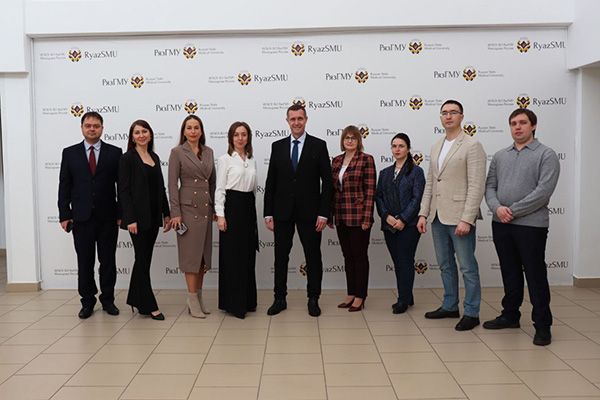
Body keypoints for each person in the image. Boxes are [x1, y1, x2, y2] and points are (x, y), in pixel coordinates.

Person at [483, 108, 560, 346]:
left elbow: (543, 192)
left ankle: (543, 325)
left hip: (531, 226)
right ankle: (510, 315)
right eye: (513, 123)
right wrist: (497, 208)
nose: (517, 127)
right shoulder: (500, 156)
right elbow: (490, 187)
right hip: (501, 223)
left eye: (523, 123)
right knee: (510, 271)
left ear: (533, 126)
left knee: (535, 274)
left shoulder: (546, 154)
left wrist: (512, 211)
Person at [417, 100, 486, 331]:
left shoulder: (472, 145)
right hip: (437, 216)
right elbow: (430, 183)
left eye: (453, 112)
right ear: (440, 117)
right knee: (445, 265)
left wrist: (467, 218)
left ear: (461, 116)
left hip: (459, 217)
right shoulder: (436, 146)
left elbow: (476, 185)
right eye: (444, 113)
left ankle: (472, 312)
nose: (448, 116)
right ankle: (449, 305)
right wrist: (423, 213)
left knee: (467, 267)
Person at [264, 103, 333, 317]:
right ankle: (279, 298)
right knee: (280, 257)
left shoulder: (319, 145)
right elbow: (271, 182)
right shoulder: (277, 146)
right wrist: (268, 212)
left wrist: (324, 213)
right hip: (282, 212)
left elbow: (327, 183)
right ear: (287, 121)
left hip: (310, 213)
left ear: (306, 120)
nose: (296, 122)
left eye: (300, 118)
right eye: (292, 119)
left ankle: (313, 298)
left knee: (313, 256)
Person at [58, 111, 122, 319]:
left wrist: (121, 213)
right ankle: (87, 302)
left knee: (108, 261)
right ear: (82, 128)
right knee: (85, 262)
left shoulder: (115, 152)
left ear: (102, 128)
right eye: (88, 125)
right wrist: (64, 214)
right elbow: (64, 185)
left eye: (96, 125)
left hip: (108, 217)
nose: (92, 129)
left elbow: (121, 187)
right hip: (81, 217)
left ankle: (108, 300)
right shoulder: (70, 153)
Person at [118, 120, 171, 320]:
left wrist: (166, 213)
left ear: (150, 134)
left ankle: (136, 299)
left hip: (153, 217)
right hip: (137, 220)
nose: (141, 135)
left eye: (144, 131)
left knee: (144, 260)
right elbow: (123, 191)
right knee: (142, 259)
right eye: (137, 132)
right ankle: (150, 305)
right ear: (132, 137)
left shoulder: (154, 157)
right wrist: (130, 218)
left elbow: (161, 188)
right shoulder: (127, 159)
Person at [168, 115, 215, 318]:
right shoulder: (177, 152)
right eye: (189, 128)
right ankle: (191, 297)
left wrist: (215, 208)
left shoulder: (209, 151)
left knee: (203, 257)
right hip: (187, 211)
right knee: (191, 256)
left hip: (205, 208)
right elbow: (172, 184)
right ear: (184, 131)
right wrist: (175, 213)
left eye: (196, 127)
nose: (193, 131)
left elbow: (212, 182)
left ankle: (199, 297)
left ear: (201, 131)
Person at [375, 133, 425, 314]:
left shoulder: (416, 171)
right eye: (394, 146)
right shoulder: (385, 173)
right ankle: (407, 295)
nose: (397, 149)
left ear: (408, 149)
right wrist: (386, 216)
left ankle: (403, 300)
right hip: (389, 225)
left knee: (405, 260)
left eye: (401, 146)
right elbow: (379, 197)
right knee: (397, 261)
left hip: (409, 226)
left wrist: (403, 219)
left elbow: (417, 198)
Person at [330, 125, 376, 312]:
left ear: (359, 141)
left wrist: (367, 218)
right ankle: (351, 293)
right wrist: (331, 215)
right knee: (347, 256)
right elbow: (332, 190)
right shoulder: (336, 160)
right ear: (342, 140)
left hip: (359, 217)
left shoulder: (366, 159)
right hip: (341, 215)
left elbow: (370, 191)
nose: (349, 141)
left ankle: (360, 296)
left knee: (359, 257)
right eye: (346, 138)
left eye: (353, 138)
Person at [215, 121, 258, 319]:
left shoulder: (252, 159)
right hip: (232, 209)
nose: (240, 138)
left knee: (248, 256)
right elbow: (220, 189)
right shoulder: (225, 159)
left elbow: (253, 188)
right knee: (233, 257)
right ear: (231, 138)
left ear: (248, 137)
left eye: (244, 134)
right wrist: (220, 215)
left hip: (248, 208)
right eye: (236, 135)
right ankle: (233, 304)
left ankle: (248, 301)